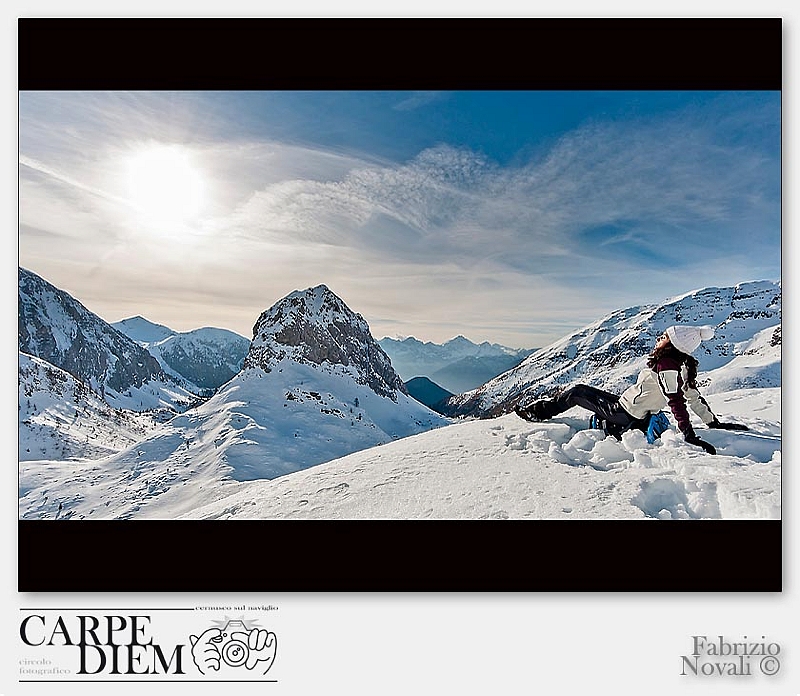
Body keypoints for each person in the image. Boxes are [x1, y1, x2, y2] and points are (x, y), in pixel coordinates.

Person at [514, 325, 748, 454]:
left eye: (663, 337)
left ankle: (538, 412)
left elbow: (677, 401)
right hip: (629, 406)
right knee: (584, 391)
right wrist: (713, 422)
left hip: (625, 412)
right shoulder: (683, 365)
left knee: (576, 392)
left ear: (673, 344)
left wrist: (689, 434)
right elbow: (694, 397)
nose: (659, 339)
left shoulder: (667, 367)